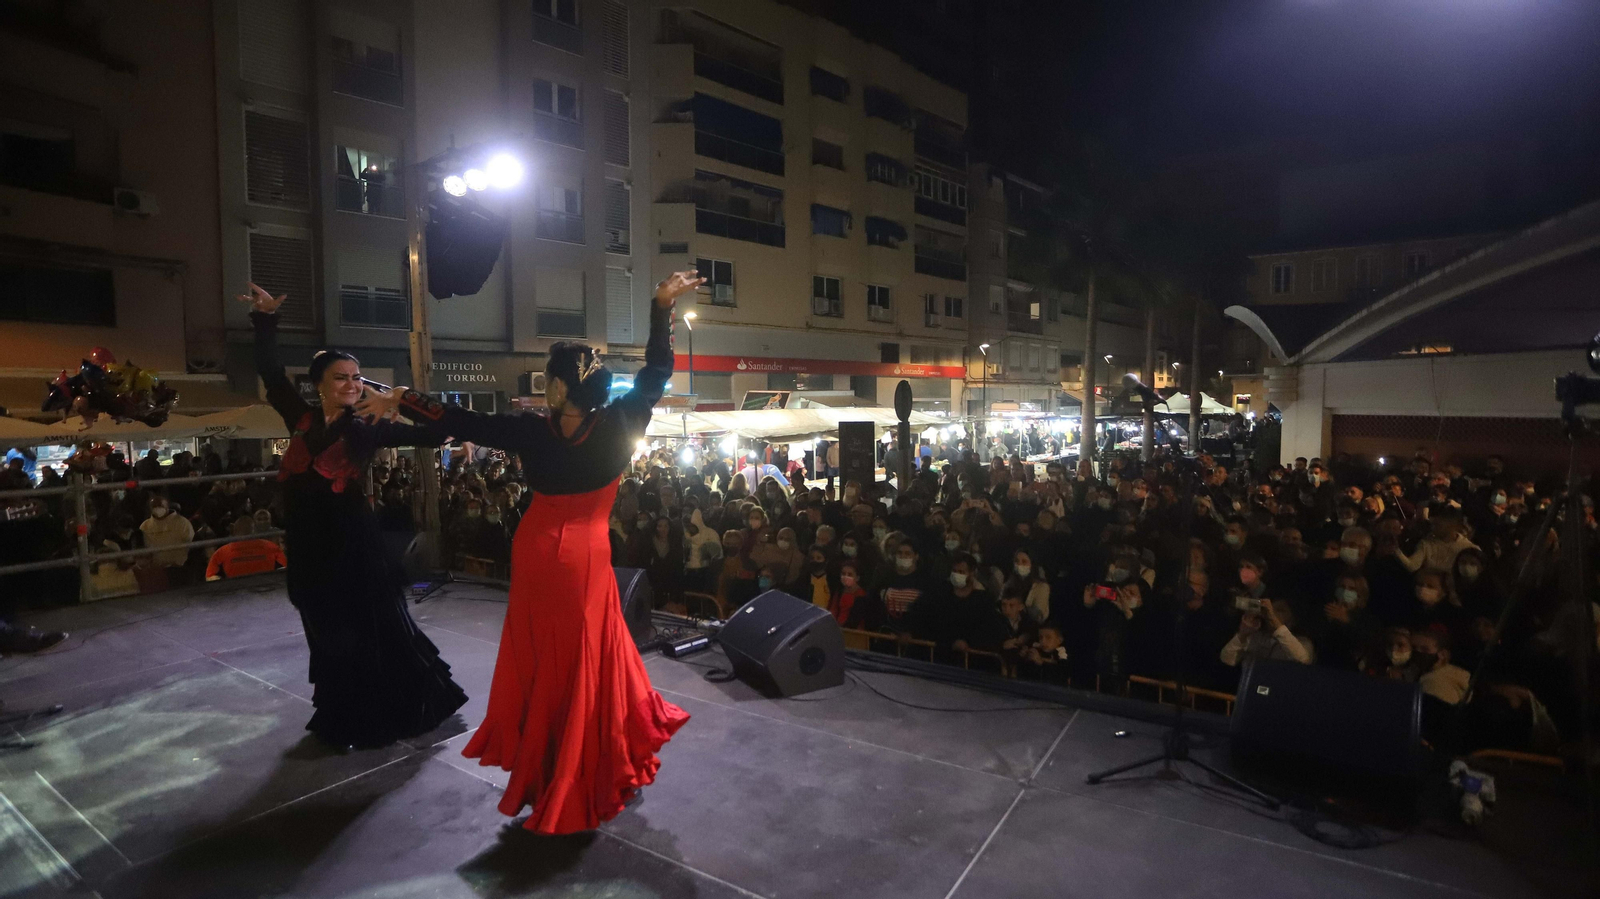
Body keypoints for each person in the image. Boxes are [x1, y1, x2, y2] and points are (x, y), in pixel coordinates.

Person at [366, 270, 702, 835]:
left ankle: (552, 766)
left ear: (559, 387)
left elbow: (459, 419)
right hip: (588, 556)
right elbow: (658, 371)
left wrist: (404, 398)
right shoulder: (624, 420)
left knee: (547, 661)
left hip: (540, 550)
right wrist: (659, 307)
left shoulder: (532, 431)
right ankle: (586, 762)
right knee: (589, 656)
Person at [242, 281, 467, 749]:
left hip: (352, 542)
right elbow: (269, 369)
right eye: (341, 377)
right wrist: (266, 319)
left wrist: (454, 433)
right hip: (307, 542)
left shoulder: (369, 428)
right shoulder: (300, 418)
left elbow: (422, 434)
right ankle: (338, 708)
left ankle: (369, 715)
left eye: (357, 377)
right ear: (319, 385)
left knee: (361, 629)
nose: (352, 384)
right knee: (323, 628)